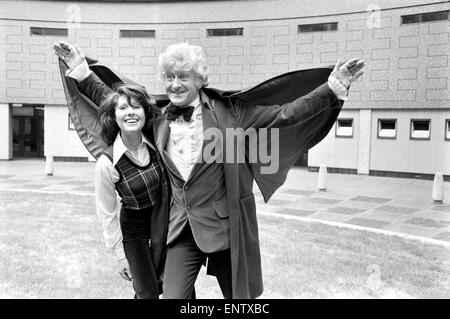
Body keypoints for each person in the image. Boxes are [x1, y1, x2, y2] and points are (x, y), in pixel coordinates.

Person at [53, 40, 364, 299]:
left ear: (200, 79)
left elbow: (284, 115)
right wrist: (81, 71)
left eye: (183, 77)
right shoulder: (158, 116)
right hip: (179, 229)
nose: (174, 85)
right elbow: (115, 102)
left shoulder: (233, 113)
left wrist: (332, 89)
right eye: (169, 77)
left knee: (239, 300)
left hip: (224, 228)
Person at [94, 84, 170, 299]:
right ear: (114, 116)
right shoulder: (107, 163)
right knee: (147, 292)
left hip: (164, 221)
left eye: (136, 107)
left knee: (178, 286)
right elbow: (107, 213)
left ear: (146, 113)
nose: (130, 112)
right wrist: (120, 256)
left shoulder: (159, 143)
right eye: (123, 108)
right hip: (134, 227)